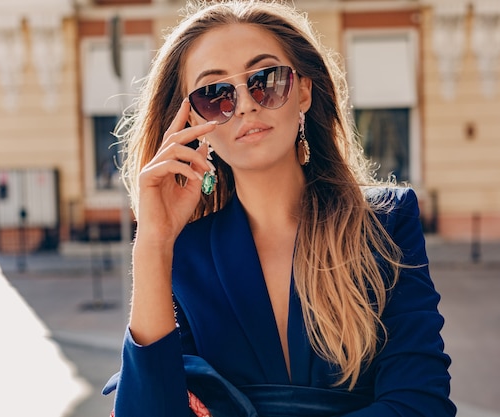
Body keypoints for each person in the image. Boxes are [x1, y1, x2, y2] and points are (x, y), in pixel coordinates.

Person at [103, 1, 456, 416]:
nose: (247, 104)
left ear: (303, 91)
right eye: (215, 94)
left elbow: (421, 404)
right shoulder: (184, 256)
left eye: (265, 79)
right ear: (192, 123)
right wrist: (153, 244)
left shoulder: (386, 223)